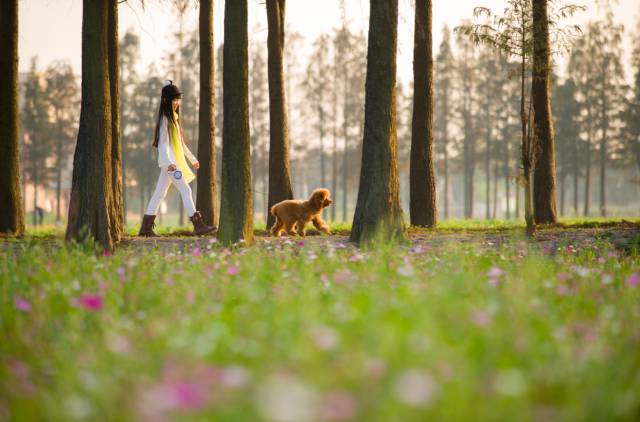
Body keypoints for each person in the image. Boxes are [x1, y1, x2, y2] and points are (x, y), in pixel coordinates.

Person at [138, 80, 215, 237]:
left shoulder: (174, 119)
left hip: (171, 163)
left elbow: (180, 144)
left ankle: (145, 228)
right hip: (170, 164)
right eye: (174, 99)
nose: (177, 102)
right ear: (166, 100)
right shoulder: (165, 120)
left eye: (178, 99)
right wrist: (168, 163)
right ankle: (198, 225)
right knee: (185, 189)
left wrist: (192, 159)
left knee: (159, 193)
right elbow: (164, 144)